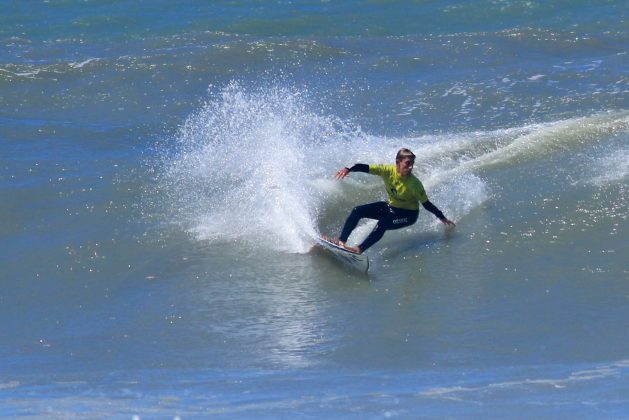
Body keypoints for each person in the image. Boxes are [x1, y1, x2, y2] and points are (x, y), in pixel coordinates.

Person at [330, 148, 455, 254]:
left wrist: (442, 218)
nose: (410, 167)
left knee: (383, 223)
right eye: (407, 163)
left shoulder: (415, 184)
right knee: (357, 211)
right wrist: (348, 169)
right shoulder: (387, 171)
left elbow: (427, 204)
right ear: (398, 162)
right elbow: (363, 167)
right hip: (391, 207)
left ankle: (358, 249)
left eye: (412, 163)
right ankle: (341, 241)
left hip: (408, 215)